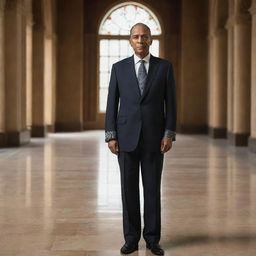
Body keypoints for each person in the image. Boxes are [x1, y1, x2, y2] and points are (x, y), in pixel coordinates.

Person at [105, 23, 176, 256]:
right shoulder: (118, 68)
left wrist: (169, 134)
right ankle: (131, 239)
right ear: (130, 40)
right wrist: (111, 135)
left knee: (152, 190)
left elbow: (171, 104)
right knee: (128, 190)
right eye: (135, 36)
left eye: (144, 36)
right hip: (125, 139)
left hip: (155, 139)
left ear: (151, 40)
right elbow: (111, 104)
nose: (140, 40)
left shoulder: (164, 68)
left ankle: (153, 240)